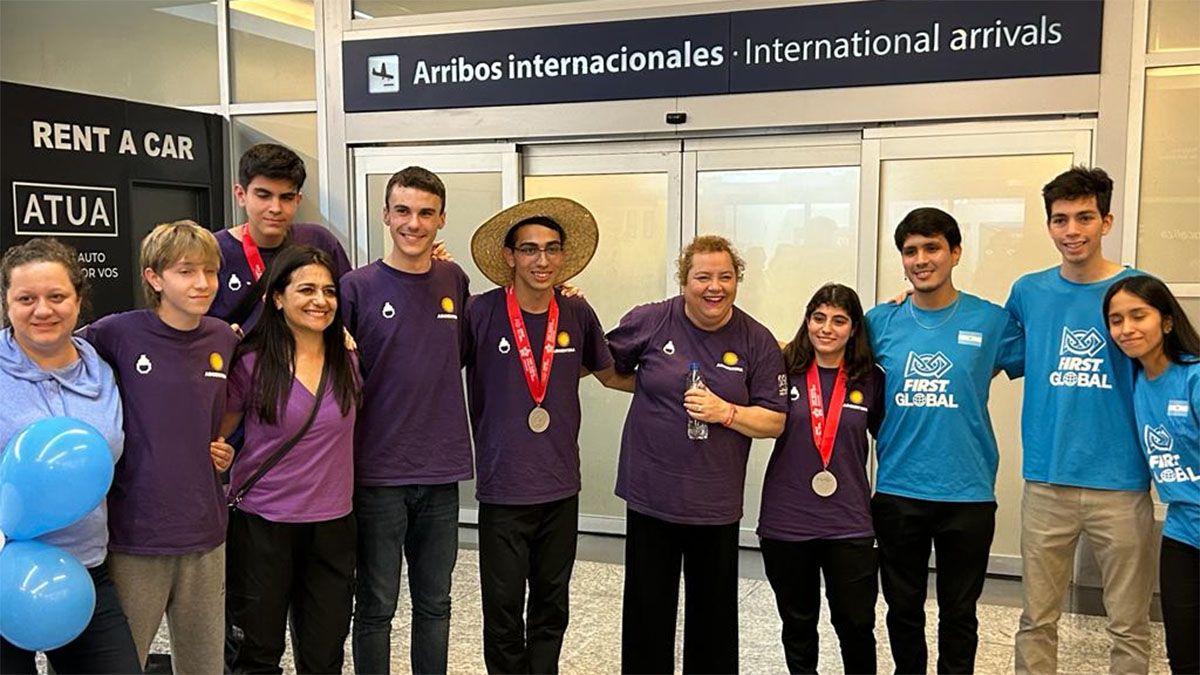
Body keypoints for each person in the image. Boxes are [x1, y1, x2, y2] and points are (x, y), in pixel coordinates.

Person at [605, 234, 787, 674]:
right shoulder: (650, 320)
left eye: (725, 277)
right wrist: (652, 386)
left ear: (737, 280)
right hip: (652, 494)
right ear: (684, 281)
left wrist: (726, 412)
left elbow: (774, 421)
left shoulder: (757, 340)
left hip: (714, 503)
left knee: (713, 620)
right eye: (703, 277)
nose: (714, 287)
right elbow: (606, 368)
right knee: (647, 615)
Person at [1007, 167, 1154, 674]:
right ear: (1049, 225)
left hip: (1122, 482)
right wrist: (909, 302)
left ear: (1106, 221)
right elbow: (987, 345)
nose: (1072, 230)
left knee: (1129, 623)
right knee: (1036, 619)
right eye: (1061, 219)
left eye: (1085, 217)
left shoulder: (1139, 290)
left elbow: (1170, 368)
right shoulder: (1028, 292)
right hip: (1047, 480)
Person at [465, 198, 621, 673]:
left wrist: (678, 384)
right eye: (529, 249)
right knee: (503, 608)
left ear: (563, 256)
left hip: (559, 486)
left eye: (552, 249)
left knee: (552, 605)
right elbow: (434, 363)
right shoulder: (480, 312)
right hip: (503, 487)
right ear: (510, 256)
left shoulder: (577, 312)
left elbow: (607, 372)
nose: (542, 260)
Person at [866, 208, 1023, 674]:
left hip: (968, 493)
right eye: (910, 251)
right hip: (898, 489)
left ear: (955, 252)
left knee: (960, 613)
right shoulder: (880, 321)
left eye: (932, 248)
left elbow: (1042, 362)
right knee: (902, 610)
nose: (921, 260)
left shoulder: (991, 320)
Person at [79, 221, 236, 673]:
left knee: (204, 665)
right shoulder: (116, 333)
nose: (202, 283)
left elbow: (222, 410)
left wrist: (224, 450)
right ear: (154, 277)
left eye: (210, 271)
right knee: (123, 661)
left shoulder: (223, 337)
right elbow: (56, 357)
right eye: (186, 271)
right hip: (136, 533)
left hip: (205, 531)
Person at [340, 166, 472, 675]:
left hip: (440, 471)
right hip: (378, 473)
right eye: (402, 211)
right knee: (376, 605)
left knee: (435, 604)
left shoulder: (454, 280)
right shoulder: (355, 288)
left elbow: (461, 353)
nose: (413, 223)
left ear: (441, 219)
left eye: (425, 213)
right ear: (385, 215)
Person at [0, 238, 141, 674]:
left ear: (79, 300)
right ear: (7, 303)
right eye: (26, 299)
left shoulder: (103, 370)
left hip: (83, 570)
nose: (42, 310)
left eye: (57, 296)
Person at [220, 245, 361, 673]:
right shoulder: (250, 363)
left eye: (329, 291)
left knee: (325, 654)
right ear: (277, 298)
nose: (321, 300)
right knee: (257, 653)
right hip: (263, 525)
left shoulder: (348, 358)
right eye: (306, 290)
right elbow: (218, 434)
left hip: (333, 526)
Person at [758, 282, 884, 675]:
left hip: (849, 522)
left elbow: (890, 439)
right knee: (798, 625)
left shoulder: (870, 379)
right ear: (807, 321)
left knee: (856, 624)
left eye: (839, 320)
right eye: (819, 318)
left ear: (854, 328)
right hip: (787, 520)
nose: (827, 328)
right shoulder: (783, 370)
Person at [1104, 276, 1200, 675]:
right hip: (1182, 534)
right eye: (1116, 320)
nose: (1126, 329)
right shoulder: (1135, 381)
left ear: (1167, 321)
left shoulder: (1194, 378)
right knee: (1184, 655)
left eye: (1138, 316)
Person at [208, 142, 351, 330]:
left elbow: (347, 309)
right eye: (263, 195)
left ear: (298, 199)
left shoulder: (319, 241)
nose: (275, 208)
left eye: (286, 197)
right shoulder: (213, 251)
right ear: (241, 195)